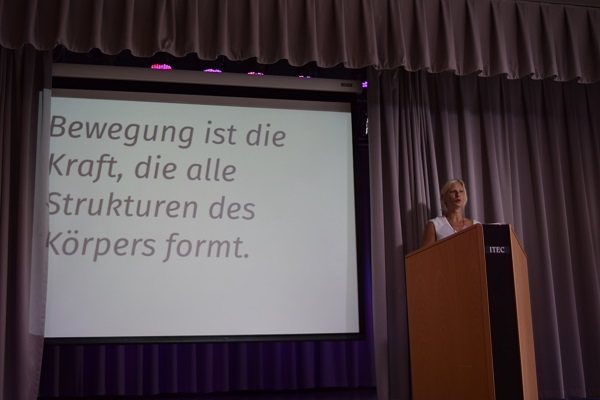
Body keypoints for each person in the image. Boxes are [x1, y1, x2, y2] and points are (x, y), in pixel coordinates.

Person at [420, 179, 480, 248]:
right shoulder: (434, 225)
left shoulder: (476, 225)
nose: (458, 195)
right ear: (444, 197)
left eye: (461, 191)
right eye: (453, 191)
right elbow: (426, 254)